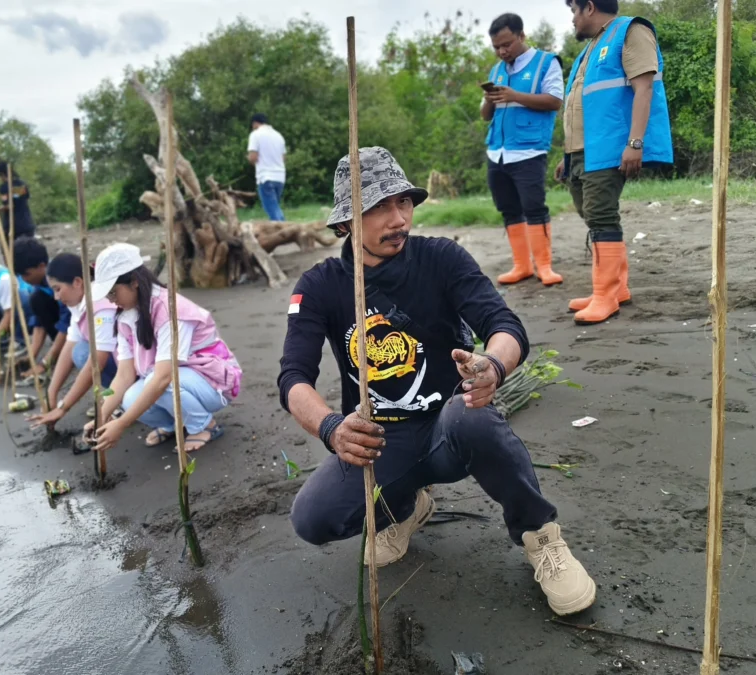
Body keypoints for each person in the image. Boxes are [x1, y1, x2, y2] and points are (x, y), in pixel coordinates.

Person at [279, 147, 596, 617]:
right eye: (379, 208)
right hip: (382, 440)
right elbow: (293, 378)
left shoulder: (442, 259)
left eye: (403, 203)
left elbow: (504, 325)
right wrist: (331, 427)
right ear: (346, 222)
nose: (398, 219)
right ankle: (405, 508)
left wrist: (493, 366)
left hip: (454, 423)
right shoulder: (320, 286)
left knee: (473, 418)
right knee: (313, 518)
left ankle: (541, 537)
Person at [555, 0, 673, 324]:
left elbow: (644, 88)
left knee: (601, 214)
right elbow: (583, 103)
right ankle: (615, 289)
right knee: (592, 214)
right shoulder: (591, 48)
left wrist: (634, 143)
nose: (572, 20)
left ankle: (606, 295)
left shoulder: (630, 31)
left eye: (573, 11)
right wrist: (568, 156)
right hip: (583, 150)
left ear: (589, 7)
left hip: (610, 146)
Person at [83, 243, 241, 455]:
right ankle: (174, 425)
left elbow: (163, 378)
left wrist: (120, 425)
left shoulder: (170, 309)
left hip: (214, 382)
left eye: (113, 292)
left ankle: (205, 426)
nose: (111, 300)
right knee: (129, 399)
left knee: (158, 382)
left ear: (134, 282)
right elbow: (124, 374)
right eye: (107, 295)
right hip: (180, 380)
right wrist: (101, 417)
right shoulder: (125, 316)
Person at [481, 13, 565, 287]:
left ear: (521, 36)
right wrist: (489, 99)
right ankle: (522, 266)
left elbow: (554, 101)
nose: (502, 51)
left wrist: (514, 95)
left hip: (529, 151)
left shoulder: (546, 62)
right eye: (496, 47)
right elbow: (485, 115)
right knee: (508, 209)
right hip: (498, 150)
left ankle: (545, 267)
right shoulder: (496, 70)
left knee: (534, 207)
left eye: (506, 44)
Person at [26, 253, 119, 430]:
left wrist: (63, 407)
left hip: (134, 369)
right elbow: (69, 344)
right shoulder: (79, 304)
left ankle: (120, 398)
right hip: (119, 361)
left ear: (77, 282)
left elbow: (97, 361)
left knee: (84, 353)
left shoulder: (100, 305)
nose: (55, 297)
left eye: (58, 289)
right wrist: (51, 393)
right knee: (78, 349)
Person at [12, 236, 71, 376]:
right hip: (66, 325)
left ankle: (64, 354)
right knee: (37, 300)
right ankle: (60, 352)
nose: (24, 279)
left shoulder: (61, 280)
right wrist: (31, 357)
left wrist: (45, 364)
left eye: (26, 274)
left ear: (41, 266)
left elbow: (67, 323)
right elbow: (39, 322)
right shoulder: (40, 284)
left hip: (83, 327)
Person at [247, 113, 287, 221]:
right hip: (280, 177)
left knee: (272, 210)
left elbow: (253, 157)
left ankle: (285, 231)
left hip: (266, 176)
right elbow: (283, 158)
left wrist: (248, 158)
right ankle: (283, 230)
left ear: (255, 123)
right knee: (275, 207)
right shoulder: (278, 135)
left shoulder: (255, 135)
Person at [0, 161, 36, 239]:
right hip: (26, 224)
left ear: (2, 175)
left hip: (13, 227)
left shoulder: (3, 188)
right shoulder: (22, 184)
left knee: (10, 250)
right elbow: (22, 198)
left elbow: (9, 205)